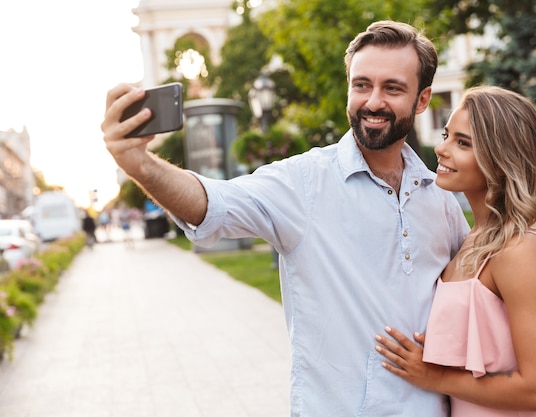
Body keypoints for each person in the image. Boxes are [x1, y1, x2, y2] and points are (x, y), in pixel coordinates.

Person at [101, 20, 470, 416]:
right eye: (362, 85)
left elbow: (478, 292)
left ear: (422, 99)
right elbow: (214, 203)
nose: (373, 101)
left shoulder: (441, 197)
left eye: (392, 88)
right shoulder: (303, 183)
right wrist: (140, 164)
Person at [375, 86, 536, 416]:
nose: (441, 148)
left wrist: (437, 378)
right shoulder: (476, 236)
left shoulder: (519, 249)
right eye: (446, 134)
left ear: (500, 157)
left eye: (462, 143)